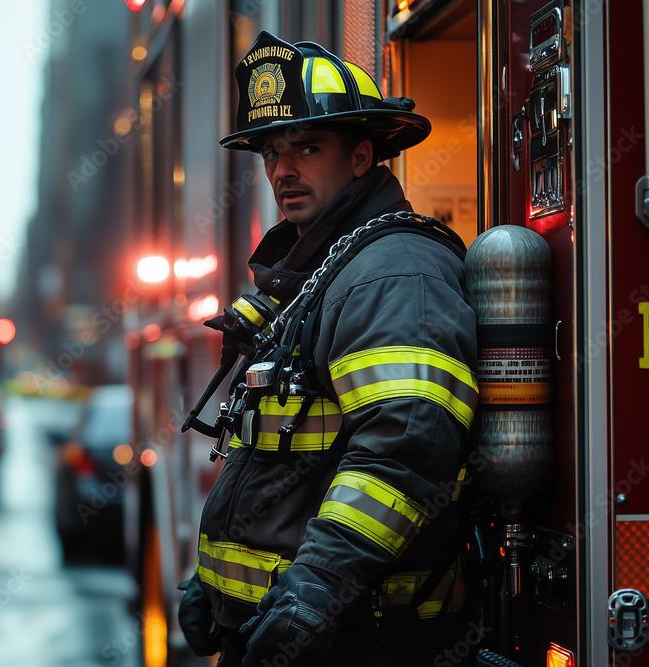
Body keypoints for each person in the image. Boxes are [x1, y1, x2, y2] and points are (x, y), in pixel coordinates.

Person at [177, 31, 480, 667]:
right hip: (288, 637)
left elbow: (407, 445)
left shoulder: (393, 272)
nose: (283, 170)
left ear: (363, 156)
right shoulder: (317, 273)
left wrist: (318, 590)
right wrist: (217, 583)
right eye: (272, 152)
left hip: (364, 642)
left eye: (308, 148)